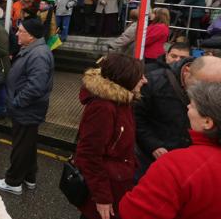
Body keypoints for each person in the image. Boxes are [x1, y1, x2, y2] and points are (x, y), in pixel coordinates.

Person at [120, 81, 221, 219]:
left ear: (208, 123)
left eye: (193, 105)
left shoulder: (178, 165)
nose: (187, 106)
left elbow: (134, 213)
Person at [74, 53, 147, 219]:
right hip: (105, 191)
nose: (145, 80)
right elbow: (88, 155)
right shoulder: (103, 108)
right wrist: (102, 197)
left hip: (118, 184)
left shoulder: (122, 101)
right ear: (125, 78)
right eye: (140, 76)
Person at [135, 56, 221, 178]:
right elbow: (136, 117)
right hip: (154, 158)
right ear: (187, 71)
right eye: (203, 84)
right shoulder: (153, 82)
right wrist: (153, 145)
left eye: (215, 86)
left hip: (195, 161)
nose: (207, 91)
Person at [0, 18, 53, 195]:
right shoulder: (33, 50)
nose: (17, 34)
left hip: (27, 108)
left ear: (32, 36)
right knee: (28, 143)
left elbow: (36, 86)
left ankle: (13, 181)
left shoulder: (39, 54)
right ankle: (29, 176)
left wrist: (17, 102)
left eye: (21, 31)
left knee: (21, 145)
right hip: (27, 108)